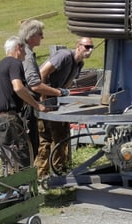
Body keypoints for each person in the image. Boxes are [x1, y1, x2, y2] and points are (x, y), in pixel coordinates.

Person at [0, 36, 47, 173]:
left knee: (8, 153)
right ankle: (24, 187)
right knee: (22, 151)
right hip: (6, 116)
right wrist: (37, 105)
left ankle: (10, 186)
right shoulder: (14, 63)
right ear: (18, 48)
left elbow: (6, 90)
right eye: (24, 49)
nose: (26, 53)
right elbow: (18, 88)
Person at [36, 37, 95, 175]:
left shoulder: (79, 64)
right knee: (46, 137)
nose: (90, 50)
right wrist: (43, 99)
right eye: (87, 46)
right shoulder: (64, 56)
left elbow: (66, 84)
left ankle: (58, 169)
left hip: (56, 98)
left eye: (92, 47)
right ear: (78, 46)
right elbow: (42, 74)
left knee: (61, 135)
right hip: (44, 97)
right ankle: (41, 174)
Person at [18, 19, 47, 175]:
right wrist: (57, 92)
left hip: (28, 104)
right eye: (40, 34)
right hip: (28, 105)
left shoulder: (26, 53)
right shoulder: (27, 56)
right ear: (31, 36)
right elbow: (34, 84)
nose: (42, 37)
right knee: (31, 143)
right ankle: (28, 180)